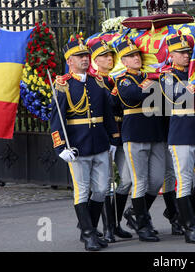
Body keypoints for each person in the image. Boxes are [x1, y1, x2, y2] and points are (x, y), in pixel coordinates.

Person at [50, 34, 119, 251]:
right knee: (82, 190)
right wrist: (61, 147)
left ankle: (90, 228)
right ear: (69, 61)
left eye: (86, 55)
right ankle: (89, 234)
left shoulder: (97, 82)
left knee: (100, 190)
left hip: (99, 143)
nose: (85, 59)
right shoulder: (63, 85)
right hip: (77, 146)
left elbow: (107, 114)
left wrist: (113, 138)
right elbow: (56, 120)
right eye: (79, 56)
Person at [159, 32, 195, 244]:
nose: (186, 55)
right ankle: (190, 227)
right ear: (171, 55)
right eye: (181, 52)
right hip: (182, 135)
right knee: (184, 183)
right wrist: (190, 87)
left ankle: (184, 213)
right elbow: (171, 97)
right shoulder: (167, 76)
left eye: (188, 52)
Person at [112, 37, 167, 242]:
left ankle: (135, 213)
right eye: (130, 56)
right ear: (123, 61)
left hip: (156, 133)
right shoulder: (123, 79)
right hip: (135, 134)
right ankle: (142, 224)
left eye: (137, 55)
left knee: (156, 181)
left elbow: (165, 94)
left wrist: (155, 80)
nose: (136, 58)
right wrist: (153, 81)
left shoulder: (151, 77)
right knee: (140, 181)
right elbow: (134, 94)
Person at [87, 37, 133, 242]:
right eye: (104, 56)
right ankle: (104, 228)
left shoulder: (117, 78)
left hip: (123, 131)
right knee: (105, 183)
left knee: (127, 180)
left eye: (111, 56)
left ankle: (114, 224)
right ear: (95, 60)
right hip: (106, 133)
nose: (109, 59)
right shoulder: (93, 81)